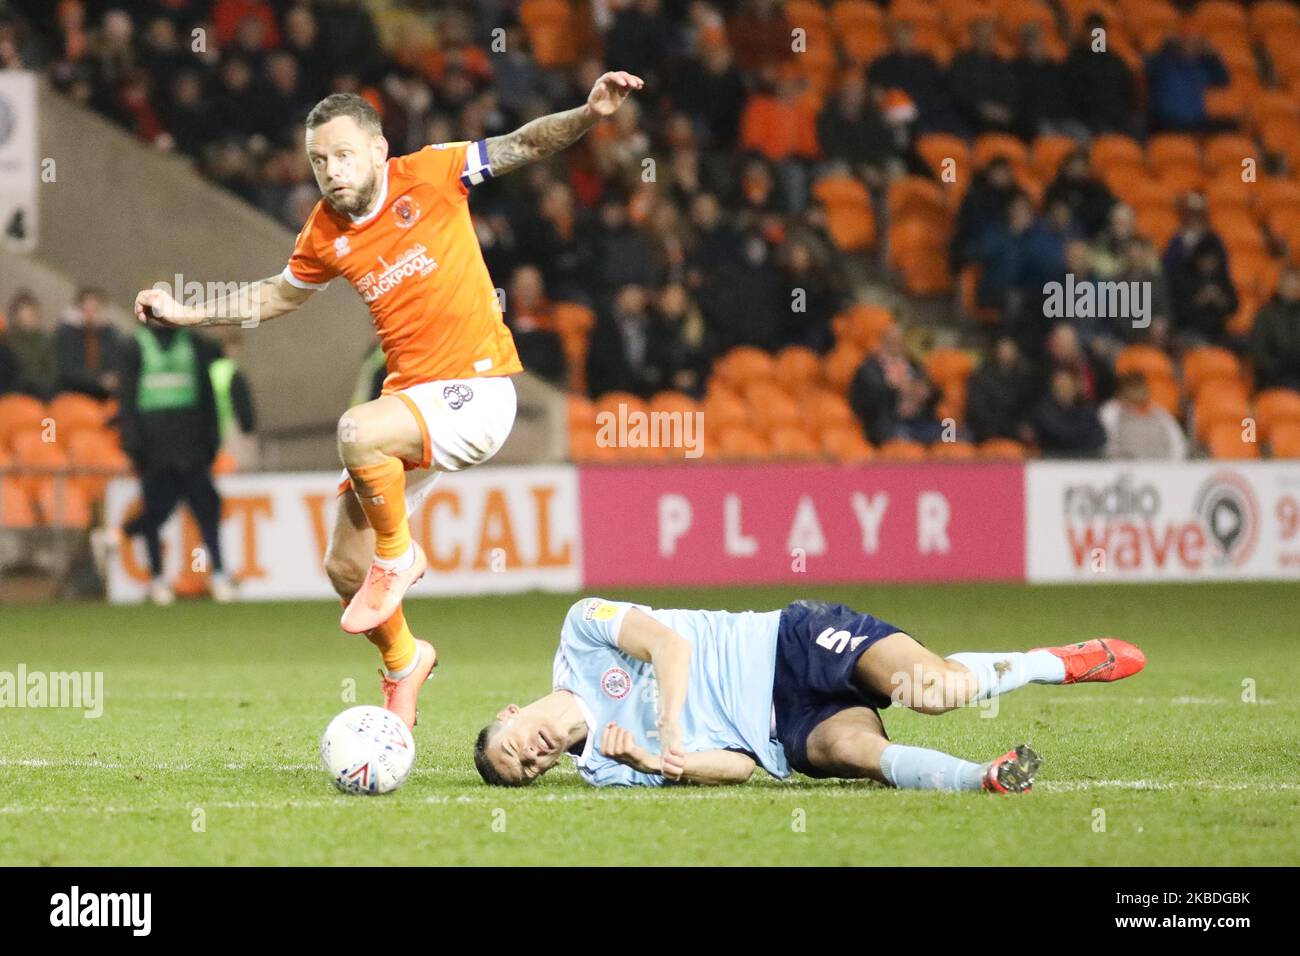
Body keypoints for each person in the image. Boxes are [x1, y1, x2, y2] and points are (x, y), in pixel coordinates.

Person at [132, 73, 645, 729]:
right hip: (413, 404)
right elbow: (274, 296)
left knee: (356, 430)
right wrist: (186, 313)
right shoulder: (324, 229)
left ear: (378, 150)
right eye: (319, 160)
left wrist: (587, 112)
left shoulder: (433, 173)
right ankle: (405, 663)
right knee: (344, 565)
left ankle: (398, 557)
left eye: (343, 155)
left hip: (478, 389)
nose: (330, 171)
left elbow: (522, 144)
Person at [473, 596, 1145, 789]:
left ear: (510, 714)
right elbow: (737, 767)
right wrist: (659, 763)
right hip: (780, 733)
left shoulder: (579, 636)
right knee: (855, 753)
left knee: (934, 690)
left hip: (789, 641)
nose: (531, 756)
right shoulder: (607, 768)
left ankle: (1051, 663)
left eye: (511, 747)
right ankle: (985, 780)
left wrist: (668, 728)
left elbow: (668, 644)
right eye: (528, 770)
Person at [98, 321, 234, 605]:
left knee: (206, 510)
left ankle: (218, 575)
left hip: (191, 447)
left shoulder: (193, 344)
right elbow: (128, 400)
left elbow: (207, 392)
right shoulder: (135, 346)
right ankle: (159, 579)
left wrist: (211, 442)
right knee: (157, 513)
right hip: (155, 449)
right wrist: (135, 448)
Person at [1100, 372, 1187, 460]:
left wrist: (1173, 465)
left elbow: (1177, 443)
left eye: (1143, 387)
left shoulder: (1160, 413)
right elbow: (1108, 444)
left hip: (1161, 467)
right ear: (1123, 390)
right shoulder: (1111, 412)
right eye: (1135, 387)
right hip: (1126, 468)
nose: (1141, 391)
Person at [56, 287, 121, 400]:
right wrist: (98, 381)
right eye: (87, 308)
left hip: (105, 396)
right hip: (75, 394)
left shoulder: (110, 334)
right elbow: (68, 370)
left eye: (95, 309)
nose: (91, 313)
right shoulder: (67, 334)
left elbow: (116, 363)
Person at [1, 291, 57, 399]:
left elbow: (52, 373)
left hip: (42, 392)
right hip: (14, 392)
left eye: (32, 313)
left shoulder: (46, 341)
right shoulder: (6, 341)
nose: (30, 318)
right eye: (25, 314)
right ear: (15, 316)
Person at [1251, 266, 1300, 390]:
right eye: (1288, 283)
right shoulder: (1265, 315)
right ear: (1279, 285)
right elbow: (1259, 352)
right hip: (1274, 379)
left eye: (1296, 283)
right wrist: (1277, 370)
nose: (1292, 287)